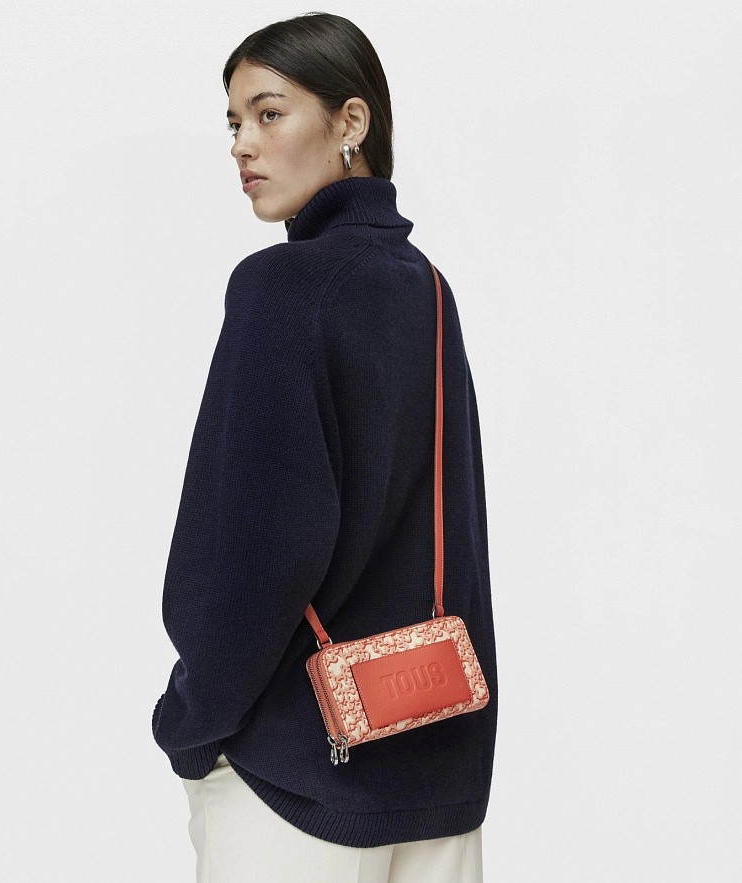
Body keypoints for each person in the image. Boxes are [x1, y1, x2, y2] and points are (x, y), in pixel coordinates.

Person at [151, 12, 497, 882]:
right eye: (234, 121)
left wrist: (191, 723)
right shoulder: (425, 286)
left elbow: (260, 544)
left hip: (295, 781)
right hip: (437, 768)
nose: (242, 144)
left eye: (269, 113)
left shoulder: (281, 286)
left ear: (351, 121)